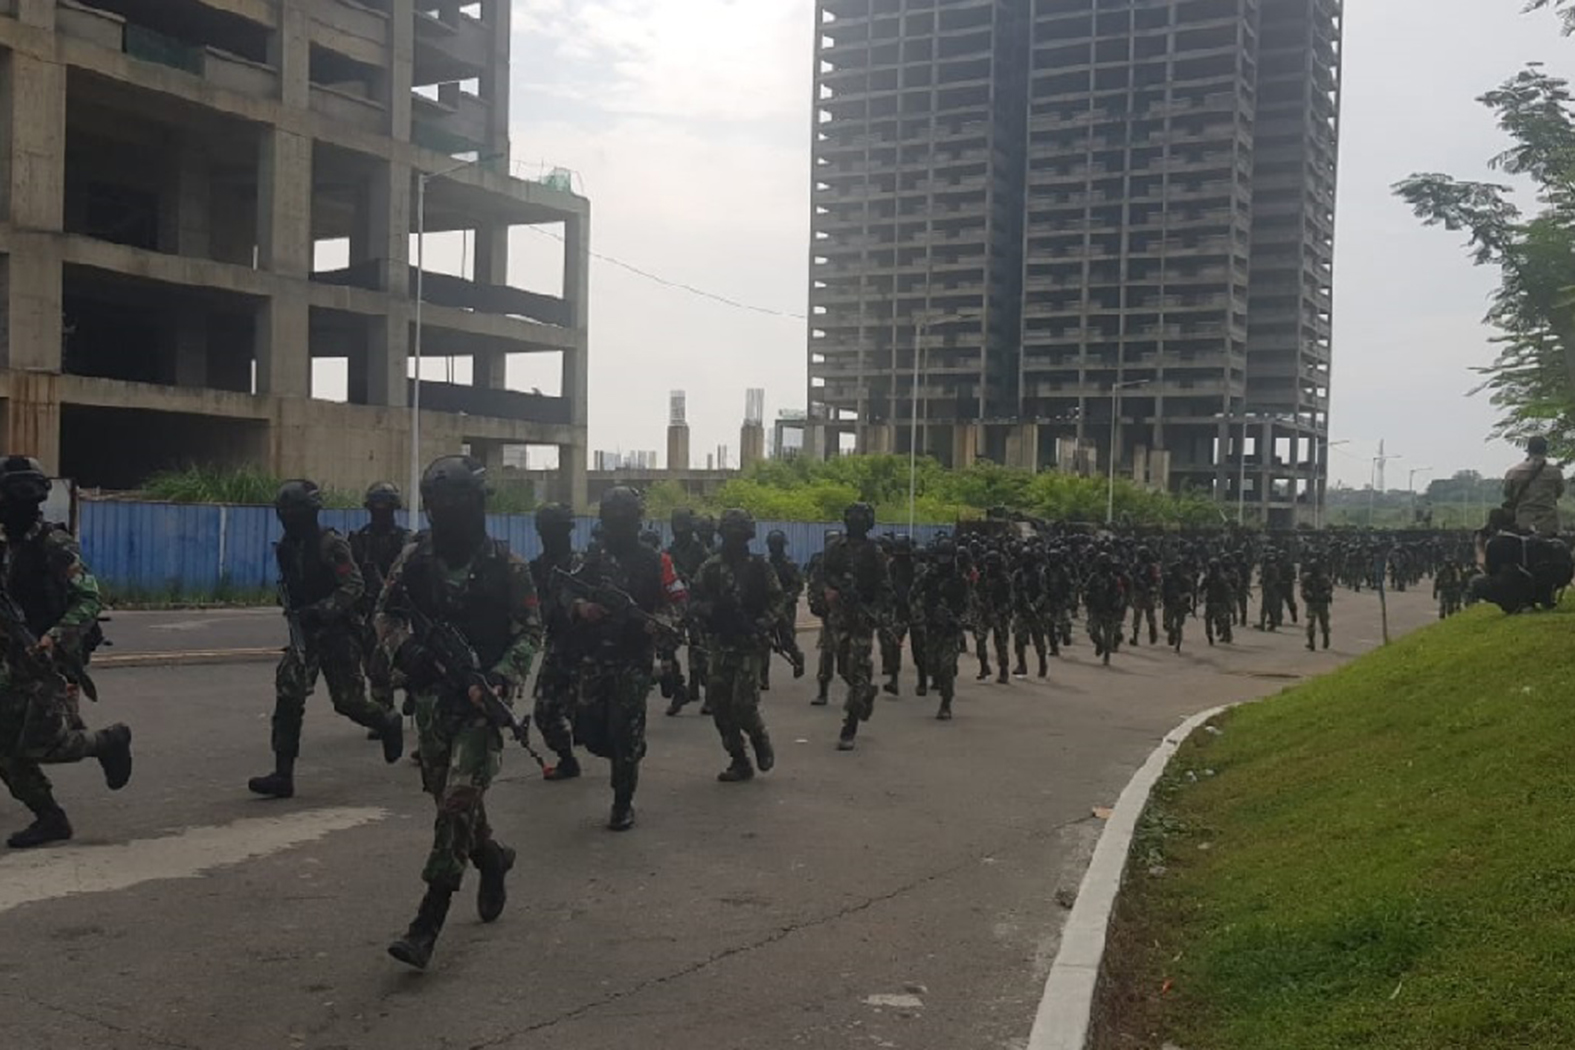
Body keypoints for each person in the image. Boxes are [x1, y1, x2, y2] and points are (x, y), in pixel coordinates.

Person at [375, 456, 540, 970]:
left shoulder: (507, 566)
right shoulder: (414, 559)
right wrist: (405, 650)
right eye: (438, 505)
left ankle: (428, 920)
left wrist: (499, 677)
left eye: (455, 504)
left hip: (480, 702)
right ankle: (491, 858)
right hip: (431, 699)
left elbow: (531, 630)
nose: (446, 514)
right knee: (447, 796)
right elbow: (385, 612)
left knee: (456, 804)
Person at [0, 456, 131, 849]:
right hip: (13, 660)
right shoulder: (8, 546)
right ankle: (50, 817)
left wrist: (53, 638)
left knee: (45, 744)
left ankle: (107, 742)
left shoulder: (54, 545)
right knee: (4, 746)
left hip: (49, 659)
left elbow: (90, 597)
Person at [249, 480, 403, 800]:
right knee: (289, 693)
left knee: (348, 702)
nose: (290, 520)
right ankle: (283, 773)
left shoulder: (331, 544)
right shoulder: (286, 548)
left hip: (338, 633)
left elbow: (354, 586)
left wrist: (321, 610)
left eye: (296, 514)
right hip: (305, 634)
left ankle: (387, 720)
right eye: (286, 514)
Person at [562, 487, 684, 830]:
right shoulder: (590, 559)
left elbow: (677, 600)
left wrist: (659, 625)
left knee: (626, 729)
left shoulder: (656, 560)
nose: (619, 527)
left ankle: (622, 801)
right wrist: (581, 607)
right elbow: (565, 592)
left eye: (625, 520)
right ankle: (625, 751)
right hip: (594, 655)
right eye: (613, 521)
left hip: (633, 656)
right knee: (588, 729)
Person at [689, 509, 784, 782]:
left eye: (739, 535)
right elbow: (692, 600)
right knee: (719, 705)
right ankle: (739, 759)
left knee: (743, 704)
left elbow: (777, 600)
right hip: (720, 644)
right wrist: (711, 610)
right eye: (730, 534)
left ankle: (759, 737)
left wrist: (762, 624)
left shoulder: (759, 566)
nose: (735, 540)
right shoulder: (710, 567)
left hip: (750, 644)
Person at [820, 502, 892, 751]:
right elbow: (826, 573)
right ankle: (865, 691)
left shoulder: (875, 552)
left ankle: (849, 727)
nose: (856, 523)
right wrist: (838, 589)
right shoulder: (834, 548)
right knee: (842, 667)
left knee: (858, 665)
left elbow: (884, 587)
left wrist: (875, 612)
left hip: (863, 616)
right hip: (840, 615)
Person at [528, 503, 582, 781]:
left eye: (557, 530)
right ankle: (567, 758)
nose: (552, 536)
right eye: (547, 530)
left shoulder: (582, 566)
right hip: (557, 647)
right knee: (545, 711)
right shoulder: (535, 569)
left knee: (588, 717)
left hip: (586, 649)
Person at [350, 482, 411, 723]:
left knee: (390, 660)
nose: (381, 512)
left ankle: (410, 687)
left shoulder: (405, 540)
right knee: (372, 664)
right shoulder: (360, 540)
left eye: (386, 507)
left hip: (395, 611)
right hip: (366, 610)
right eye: (377, 507)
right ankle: (383, 710)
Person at [909, 539, 970, 720]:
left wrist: (960, 621)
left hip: (951, 630)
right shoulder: (929, 576)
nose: (944, 562)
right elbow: (914, 595)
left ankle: (945, 704)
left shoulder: (960, 579)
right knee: (931, 666)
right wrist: (919, 615)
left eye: (948, 557)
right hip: (931, 627)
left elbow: (968, 604)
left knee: (946, 667)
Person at [663, 509, 710, 717]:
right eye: (677, 530)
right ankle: (679, 690)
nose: (680, 534)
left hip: (697, 604)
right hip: (676, 607)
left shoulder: (701, 551)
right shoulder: (669, 552)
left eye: (683, 530)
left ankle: (709, 695)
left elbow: (710, 577)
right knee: (667, 649)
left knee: (700, 649)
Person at [761, 529, 806, 691]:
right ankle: (763, 678)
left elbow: (798, 585)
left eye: (777, 545)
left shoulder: (790, 565)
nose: (775, 548)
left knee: (787, 640)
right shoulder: (764, 564)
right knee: (764, 641)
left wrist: (787, 599)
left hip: (785, 608)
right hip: (768, 607)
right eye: (772, 545)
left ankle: (797, 658)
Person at [1503, 436, 1565, 536]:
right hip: (1549, 524)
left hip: (1523, 523)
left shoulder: (1513, 473)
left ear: (1528, 451)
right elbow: (1559, 493)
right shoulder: (1555, 472)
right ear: (1545, 451)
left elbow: (1508, 494)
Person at [879, 535, 916, 696]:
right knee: (893, 645)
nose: (901, 556)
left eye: (904, 552)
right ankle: (894, 679)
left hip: (916, 611)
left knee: (921, 648)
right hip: (898, 610)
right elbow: (885, 585)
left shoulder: (916, 566)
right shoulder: (891, 566)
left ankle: (923, 678)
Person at [972, 549, 1012, 684]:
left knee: (1001, 644)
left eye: (993, 564)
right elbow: (975, 592)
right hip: (984, 613)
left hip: (999, 614)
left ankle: (1003, 671)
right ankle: (984, 667)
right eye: (989, 564)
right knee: (979, 641)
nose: (991, 567)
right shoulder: (982, 576)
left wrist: (1001, 610)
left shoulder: (1004, 579)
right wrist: (979, 604)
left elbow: (1009, 599)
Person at [1300, 558, 1334, 652]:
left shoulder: (1324, 578)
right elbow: (1303, 590)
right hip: (1312, 602)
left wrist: (1326, 594)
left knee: (1324, 622)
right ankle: (1311, 642)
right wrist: (1307, 595)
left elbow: (1329, 588)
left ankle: (1326, 638)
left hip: (1321, 602)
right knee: (1311, 623)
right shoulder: (1307, 578)